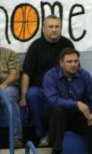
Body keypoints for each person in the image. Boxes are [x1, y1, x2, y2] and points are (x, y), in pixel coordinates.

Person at [20, 14, 75, 146]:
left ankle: (59, 137)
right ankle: (41, 135)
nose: (54, 29)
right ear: (44, 29)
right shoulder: (35, 46)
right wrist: (23, 97)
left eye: (57, 26)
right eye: (51, 27)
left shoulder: (67, 44)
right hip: (40, 89)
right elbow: (26, 74)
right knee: (32, 94)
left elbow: (74, 69)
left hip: (61, 89)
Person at [42, 48, 92, 154]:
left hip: (77, 117)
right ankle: (56, 153)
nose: (73, 64)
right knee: (58, 111)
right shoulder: (50, 76)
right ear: (61, 63)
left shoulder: (84, 75)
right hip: (56, 117)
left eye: (76, 61)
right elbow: (53, 100)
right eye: (69, 61)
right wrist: (76, 103)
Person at [0, 23, 23, 149]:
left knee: (7, 95)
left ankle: (16, 138)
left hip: (7, 86)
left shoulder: (9, 54)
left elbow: (15, 74)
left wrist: (3, 85)